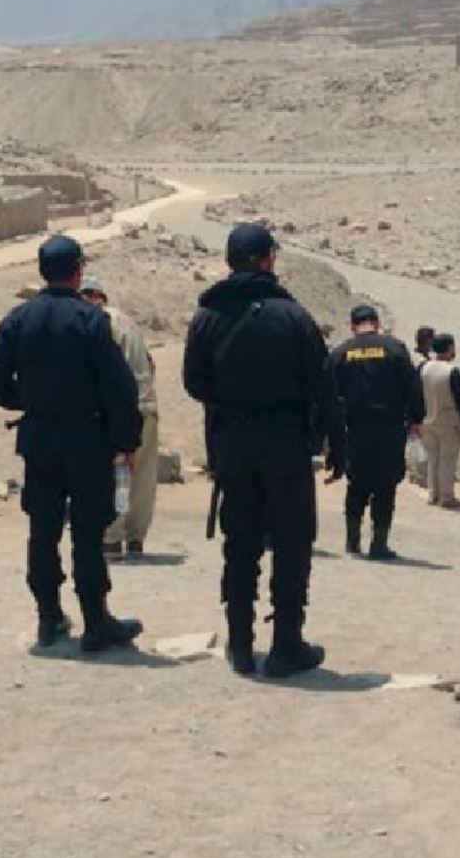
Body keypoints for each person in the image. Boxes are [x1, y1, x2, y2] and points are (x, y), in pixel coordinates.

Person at [0, 235, 144, 651]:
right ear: (77, 271)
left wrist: (26, 401)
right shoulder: (91, 321)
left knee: (43, 531)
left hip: (39, 440)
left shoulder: (19, 319)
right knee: (88, 534)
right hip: (87, 441)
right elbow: (119, 388)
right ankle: (96, 621)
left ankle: (48, 617)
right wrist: (127, 439)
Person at [184, 223, 330, 677]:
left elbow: (194, 383)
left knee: (240, 543)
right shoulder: (294, 317)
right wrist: (331, 445)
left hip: (232, 444)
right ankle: (286, 645)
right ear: (268, 259)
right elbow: (322, 387)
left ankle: (241, 644)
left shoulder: (207, 317)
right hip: (285, 446)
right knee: (291, 543)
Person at [325, 304, 424, 560]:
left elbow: (327, 394)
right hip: (389, 428)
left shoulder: (340, 353)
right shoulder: (394, 349)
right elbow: (412, 385)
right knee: (385, 485)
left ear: (351, 325)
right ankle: (379, 543)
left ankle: (352, 540)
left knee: (356, 483)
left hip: (355, 429)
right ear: (377, 322)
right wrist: (416, 418)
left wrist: (328, 430)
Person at [80, 275, 158, 559]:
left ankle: (111, 539)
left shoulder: (101, 322)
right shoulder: (128, 322)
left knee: (114, 474)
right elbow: (150, 364)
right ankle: (136, 538)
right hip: (148, 405)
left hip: (121, 409)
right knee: (143, 478)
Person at [418, 333, 460, 509]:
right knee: (447, 460)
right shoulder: (452, 371)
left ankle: (433, 494)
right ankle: (447, 497)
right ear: (449, 348)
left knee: (432, 459)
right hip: (448, 420)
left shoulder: (423, 367)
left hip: (427, 419)